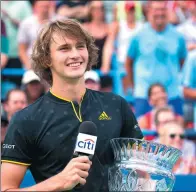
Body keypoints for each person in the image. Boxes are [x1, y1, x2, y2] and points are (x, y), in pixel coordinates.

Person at [1, 19, 143, 192]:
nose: (75, 54)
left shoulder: (116, 105)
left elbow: (141, 172)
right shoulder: (26, 119)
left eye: (80, 46)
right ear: (46, 59)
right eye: (64, 48)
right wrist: (58, 182)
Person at [124, 1, 187, 118]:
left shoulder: (178, 36)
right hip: (144, 95)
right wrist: (134, 86)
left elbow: (183, 62)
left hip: (172, 94)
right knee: (142, 133)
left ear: (167, 12)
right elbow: (128, 63)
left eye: (162, 9)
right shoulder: (138, 36)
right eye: (156, 10)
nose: (159, 13)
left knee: (175, 131)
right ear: (149, 12)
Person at [18, 1, 52, 69]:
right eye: (42, 6)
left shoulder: (59, 21)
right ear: (35, 7)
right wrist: (28, 65)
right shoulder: (26, 23)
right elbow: (22, 49)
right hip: (32, 64)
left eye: (46, 6)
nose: (44, 9)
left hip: (52, 64)